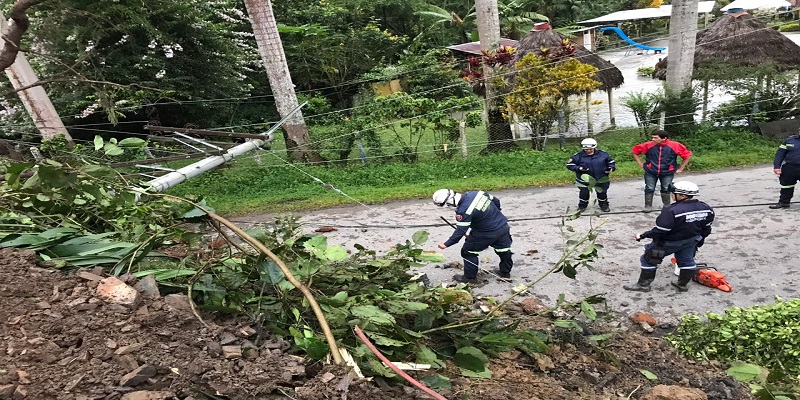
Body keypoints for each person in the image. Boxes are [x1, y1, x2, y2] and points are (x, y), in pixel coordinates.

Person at [624, 181, 714, 293]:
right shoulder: (706, 208)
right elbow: (706, 228)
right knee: (686, 260)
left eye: (673, 192)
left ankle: (643, 285)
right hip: (691, 240)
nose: (671, 194)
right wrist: (699, 240)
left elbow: (660, 231)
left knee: (648, 260)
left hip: (669, 242)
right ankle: (682, 284)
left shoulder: (672, 211)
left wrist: (642, 236)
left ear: (682, 195)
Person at [432, 189, 513, 284]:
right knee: (503, 249)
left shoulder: (463, 211)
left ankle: (470, 278)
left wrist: (446, 244)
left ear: (449, 202)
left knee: (468, 252)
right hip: (503, 226)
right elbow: (496, 201)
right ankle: (505, 272)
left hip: (485, 233)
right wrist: (494, 216)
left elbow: (460, 231)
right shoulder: (476, 193)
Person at [632, 130, 693, 212]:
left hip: (667, 172)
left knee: (666, 188)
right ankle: (648, 205)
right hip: (651, 171)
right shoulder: (648, 145)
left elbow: (687, 155)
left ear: (664, 138)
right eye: (652, 137)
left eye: (655, 138)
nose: (653, 139)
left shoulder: (675, 145)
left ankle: (667, 206)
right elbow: (635, 151)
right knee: (649, 188)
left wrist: (681, 168)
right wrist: (640, 164)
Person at [566, 138, 616, 212]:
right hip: (584, 179)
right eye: (586, 149)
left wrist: (611, 168)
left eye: (590, 149)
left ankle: (604, 205)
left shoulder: (603, 154)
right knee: (584, 193)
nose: (588, 151)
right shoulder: (578, 156)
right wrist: (579, 168)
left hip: (601, 178)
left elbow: (611, 162)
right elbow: (569, 165)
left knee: (602, 192)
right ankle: (582, 206)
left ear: (594, 147)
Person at [769, 134, 800, 209]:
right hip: (790, 167)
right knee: (786, 185)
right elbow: (780, 153)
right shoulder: (790, 140)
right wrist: (777, 166)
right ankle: (784, 202)